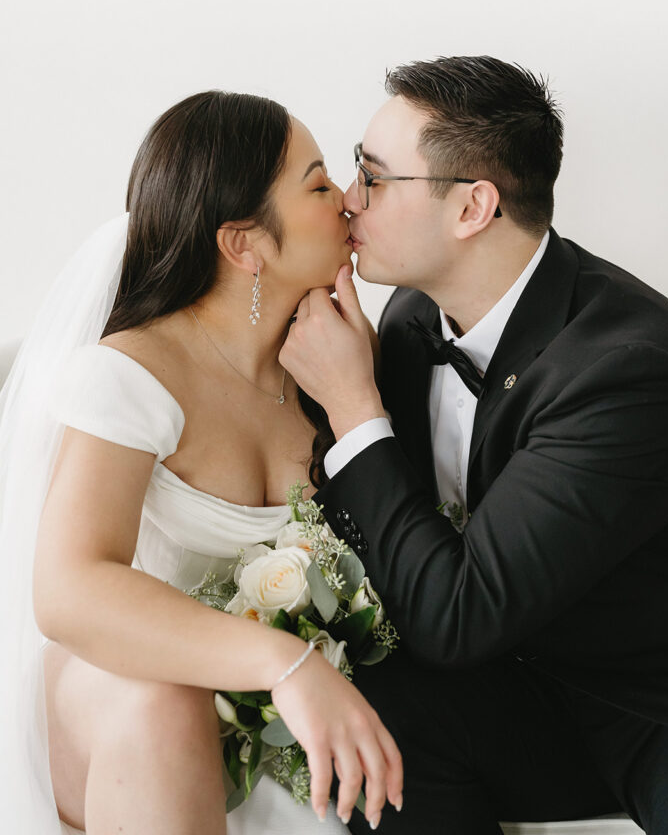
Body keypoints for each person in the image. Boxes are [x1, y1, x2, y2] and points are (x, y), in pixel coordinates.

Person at [279, 56, 668, 834]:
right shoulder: (405, 317)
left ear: (471, 208)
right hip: (509, 691)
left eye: (371, 177)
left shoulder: (627, 370)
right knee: (369, 706)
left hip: (647, 706)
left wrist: (354, 408)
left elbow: (458, 614)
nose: (348, 203)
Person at [0, 91, 402, 835]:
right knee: (164, 701)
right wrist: (286, 664)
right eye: (318, 185)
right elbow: (69, 593)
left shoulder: (339, 354)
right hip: (118, 694)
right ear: (243, 243)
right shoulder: (127, 373)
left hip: (269, 720)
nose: (348, 202)